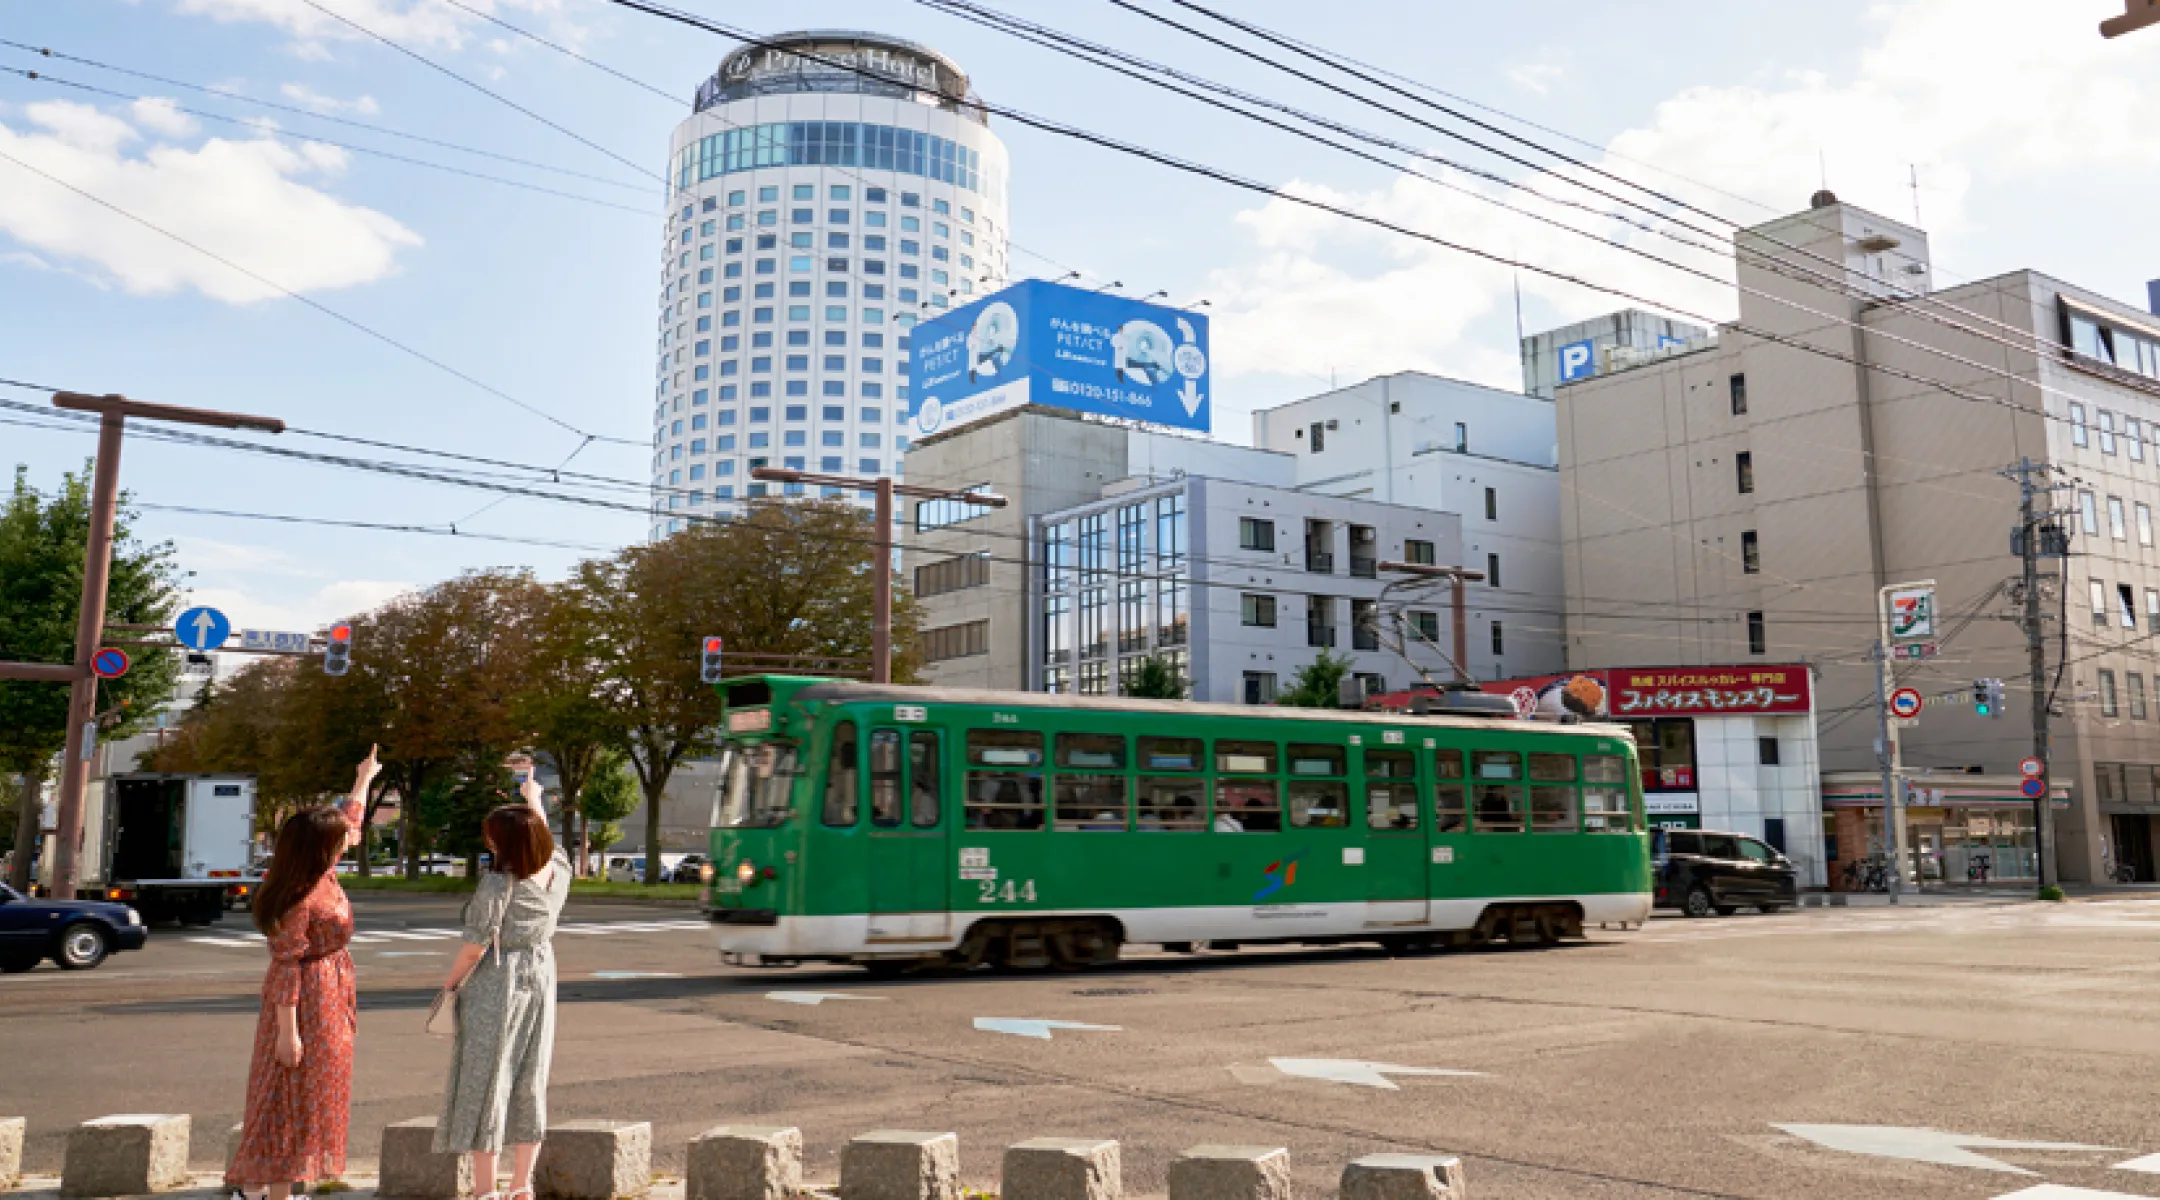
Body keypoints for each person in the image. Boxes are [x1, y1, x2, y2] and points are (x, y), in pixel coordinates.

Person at [226, 748, 377, 1200]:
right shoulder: (300, 895)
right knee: (287, 1090)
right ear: (318, 849)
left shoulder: (321, 873)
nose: (347, 842)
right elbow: (285, 967)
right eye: (336, 841)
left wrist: (363, 779)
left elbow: (350, 824)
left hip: (331, 990)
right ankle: (265, 1190)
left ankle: (280, 1189)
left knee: (312, 1092)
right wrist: (286, 1033)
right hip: (307, 996)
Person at [435, 777, 572, 1200]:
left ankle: (485, 1189)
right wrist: (536, 800)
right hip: (541, 971)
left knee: (487, 1076)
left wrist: (449, 986)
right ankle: (521, 1185)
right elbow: (547, 838)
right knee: (531, 1077)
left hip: (499, 978)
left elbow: (475, 948)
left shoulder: (498, 884)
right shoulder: (558, 869)